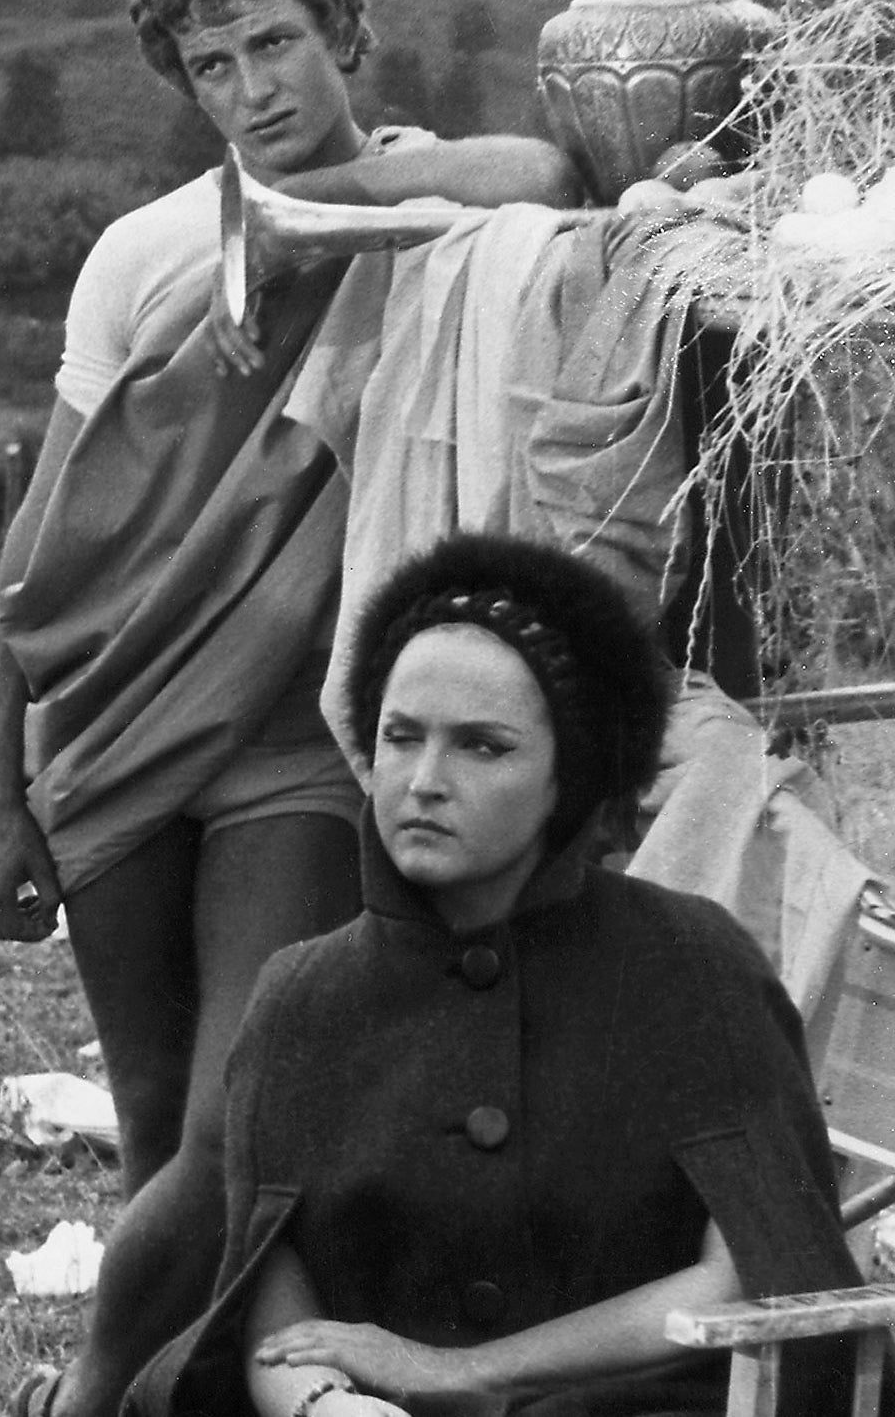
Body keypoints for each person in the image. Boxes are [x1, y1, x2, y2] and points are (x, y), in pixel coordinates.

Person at [0, 0, 585, 1417]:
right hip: (109, 722)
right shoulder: (142, 256)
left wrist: (331, 209)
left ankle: (93, 1390)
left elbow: (549, 166)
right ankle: (200, 1387)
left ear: (343, 35)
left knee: (246, 1117)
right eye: (214, 66)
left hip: (289, 742)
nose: (253, 91)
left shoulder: (421, 207)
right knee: (147, 1115)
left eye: (277, 42)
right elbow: (45, 536)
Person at [125, 532, 860, 1417]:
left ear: (570, 776)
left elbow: (748, 1282)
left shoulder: (693, 966)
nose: (424, 782)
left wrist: (469, 1370)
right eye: (401, 738)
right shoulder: (301, 996)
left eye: (483, 747)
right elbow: (275, 1305)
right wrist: (327, 1406)